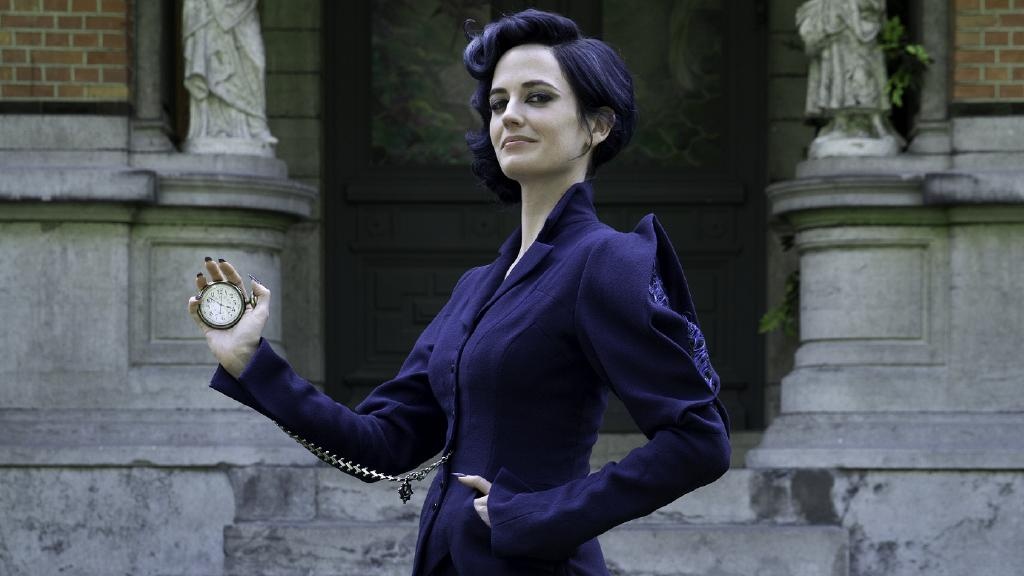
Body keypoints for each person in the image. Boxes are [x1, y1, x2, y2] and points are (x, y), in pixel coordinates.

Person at [188, 9, 731, 576]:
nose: (510, 116)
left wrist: (539, 514)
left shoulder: (605, 260)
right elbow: (383, 445)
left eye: (538, 98)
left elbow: (699, 441)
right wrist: (252, 362)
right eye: (498, 103)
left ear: (597, 126)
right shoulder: (476, 288)